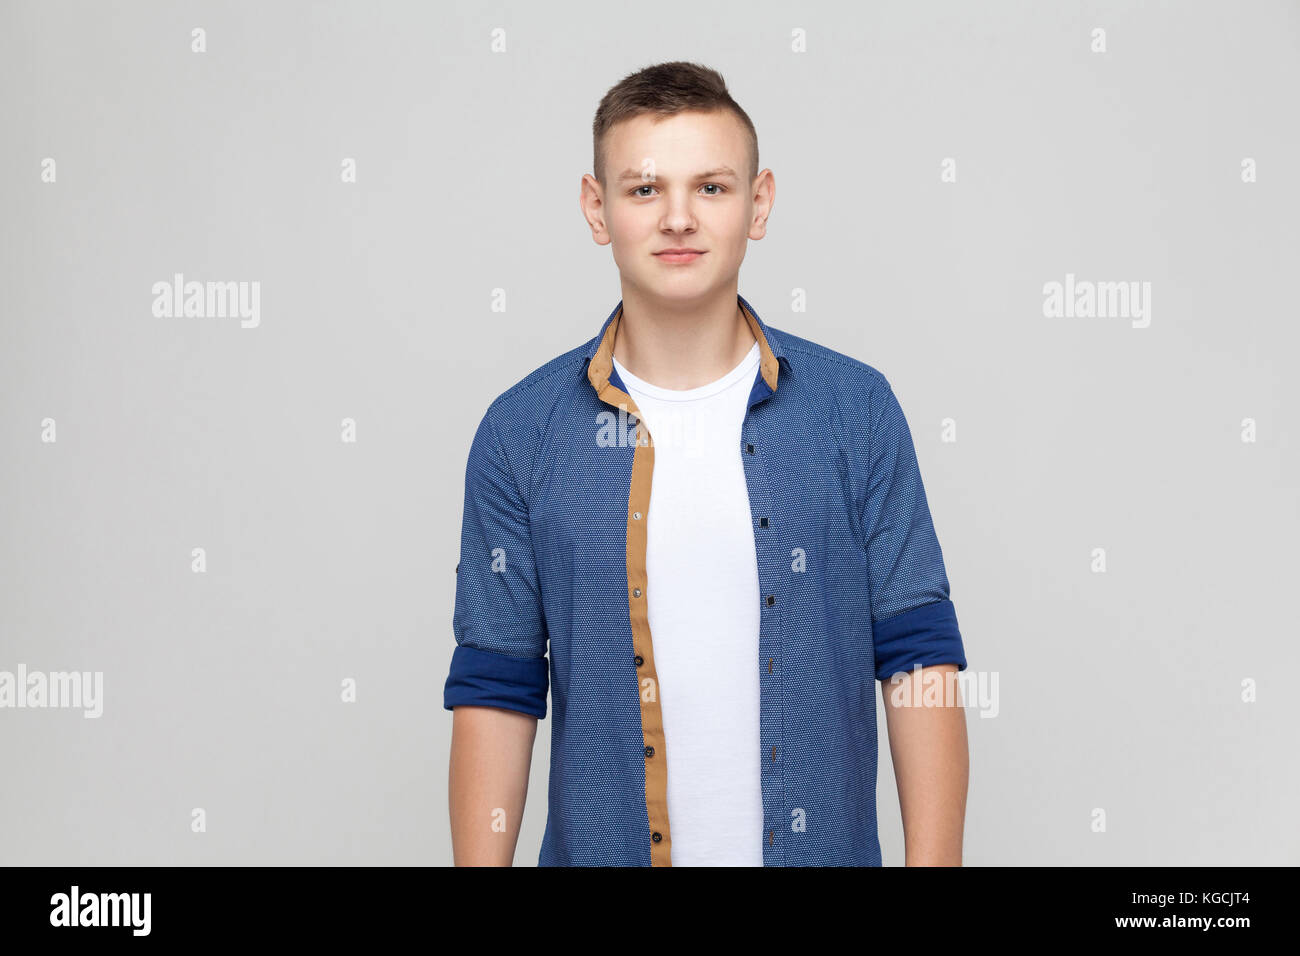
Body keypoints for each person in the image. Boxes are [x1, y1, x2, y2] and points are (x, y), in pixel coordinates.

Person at [444, 61, 969, 866]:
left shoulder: (854, 412)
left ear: (758, 205)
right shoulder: (522, 434)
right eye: (645, 189)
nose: (679, 218)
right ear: (597, 208)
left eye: (712, 189)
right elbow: (497, 688)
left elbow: (919, 659)